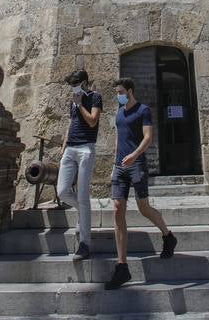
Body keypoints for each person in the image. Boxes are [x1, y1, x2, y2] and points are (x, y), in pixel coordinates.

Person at [105, 77, 177, 290]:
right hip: (120, 166)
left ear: (129, 91)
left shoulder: (143, 110)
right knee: (118, 209)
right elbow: (119, 138)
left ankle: (168, 235)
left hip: (137, 165)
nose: (118, 95)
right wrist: (114, 163)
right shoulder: (119, 112)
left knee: (144, 208)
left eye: (120, 91)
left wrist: (135, 155)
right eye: (116, 92)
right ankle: (122, 266)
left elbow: (148, 137)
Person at [56, 69, 102, 261]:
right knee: (63, 191)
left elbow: (92, 121)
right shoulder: (72, 101)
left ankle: (85, 244)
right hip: (70, 149)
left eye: (75, 83)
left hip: (86, 148)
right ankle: (83, 213)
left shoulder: (94, 97)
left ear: (83, 82)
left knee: (83, 195)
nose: (72, 86)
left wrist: (80, 104)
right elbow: (71, 122)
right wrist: (64, 145)